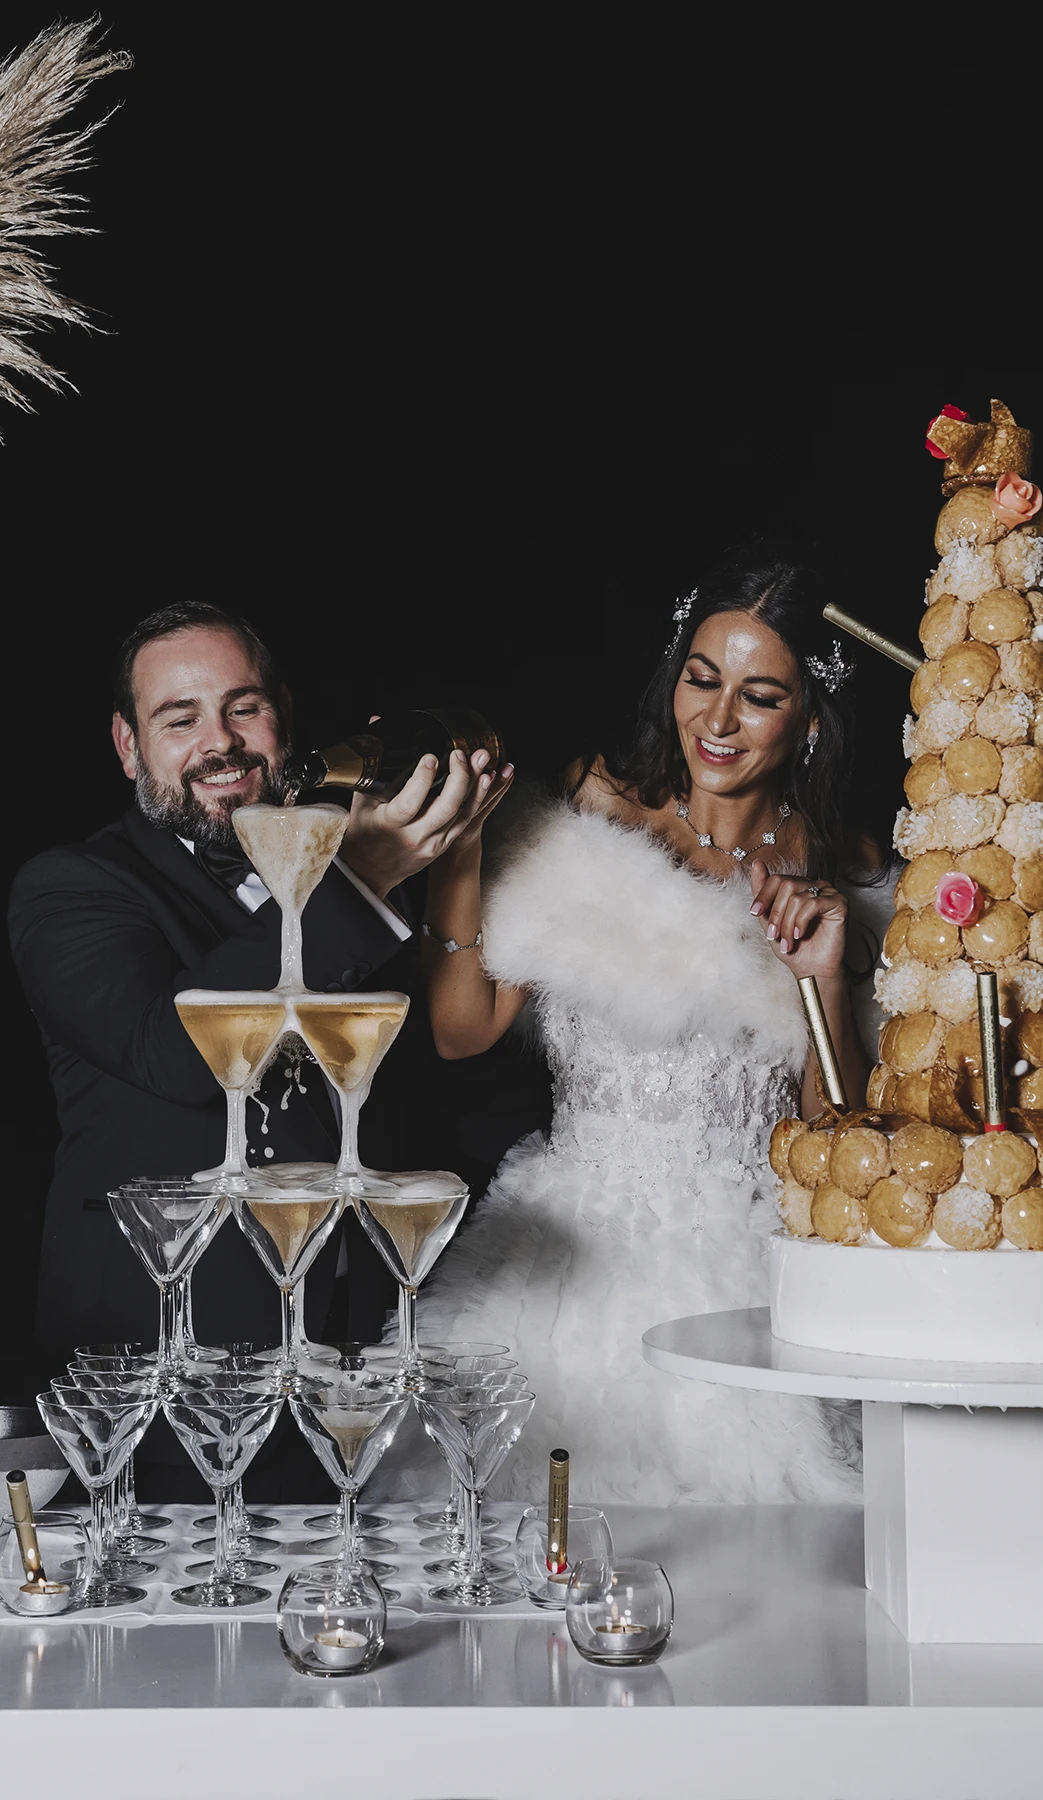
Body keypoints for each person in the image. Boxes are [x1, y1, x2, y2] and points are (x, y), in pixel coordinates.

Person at [375, 558, 892, 1506]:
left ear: (811, 719)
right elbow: (459, 1031)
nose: (718, 720)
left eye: (760, 695)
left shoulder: (847, 871)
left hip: (748, 1259)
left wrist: (819, 973)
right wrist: (466, 851)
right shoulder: (589, 810)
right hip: (569, 1256)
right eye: (702, 680)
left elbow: (841, 1133)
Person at [8, 600, 505, 1495]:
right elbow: (179, 1051)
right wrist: (360, 882)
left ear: (284, 720)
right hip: (160, 1372)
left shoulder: (356, 850)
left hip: (352, 1373)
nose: (220, 741)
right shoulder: (71, 889)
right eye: (180, 717)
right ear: (128, 746)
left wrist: (452, 854)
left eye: (245, 708)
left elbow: (446, 1066)